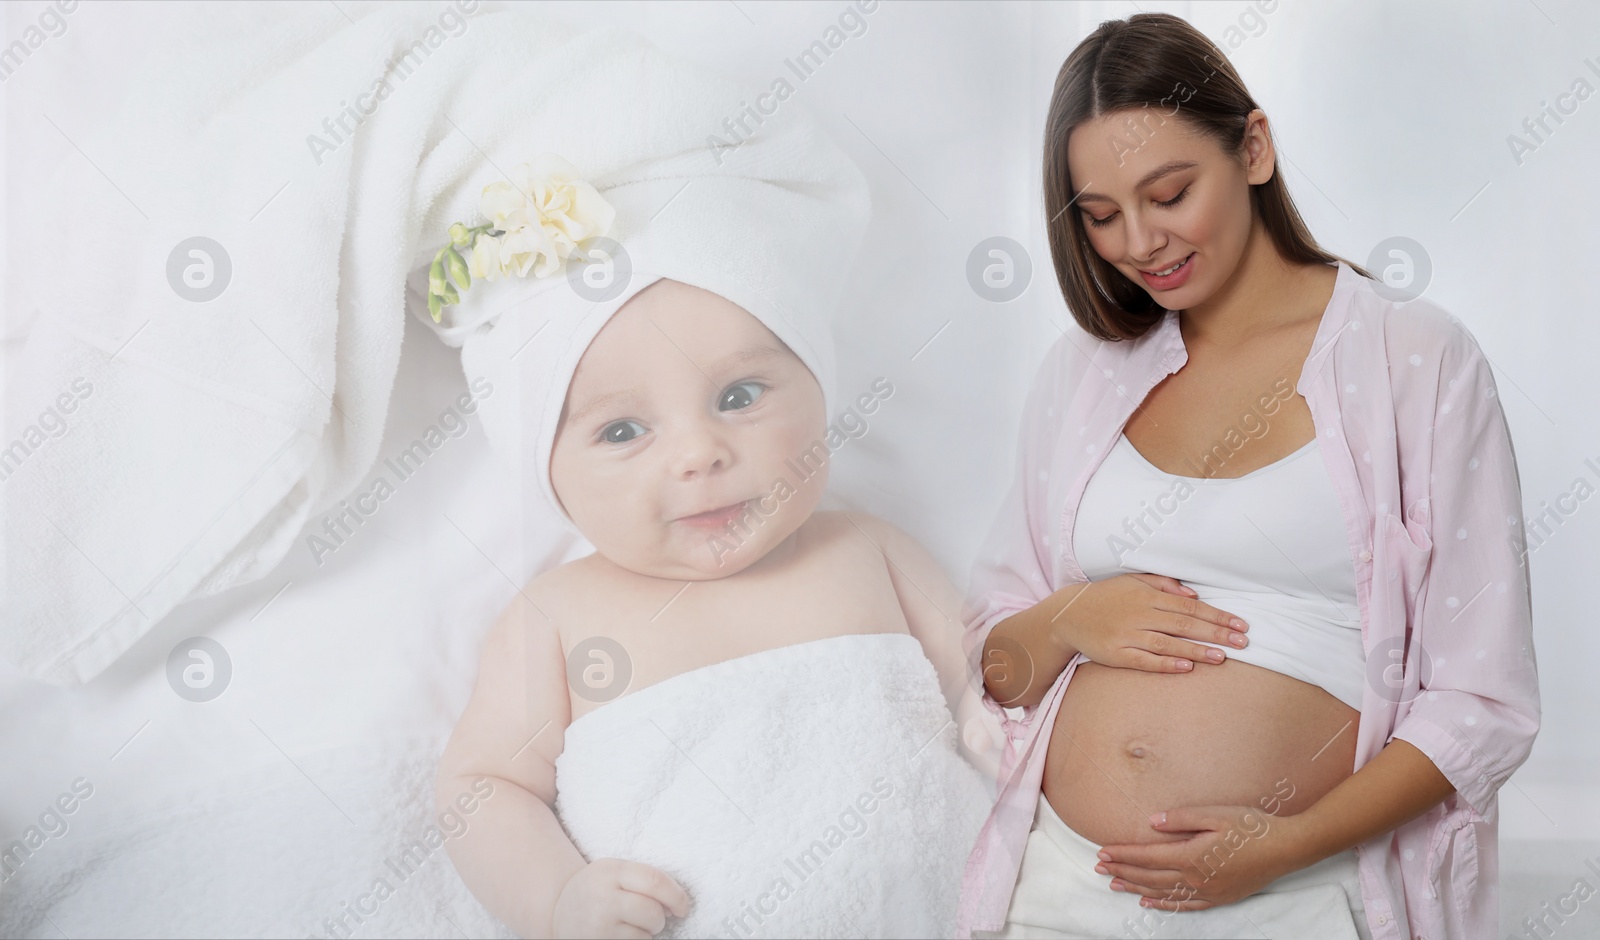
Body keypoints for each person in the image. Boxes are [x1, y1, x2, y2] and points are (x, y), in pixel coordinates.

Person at [956, 12, 1539, 940]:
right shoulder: (1084, 371)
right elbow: (992, 664)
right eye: (1101, 216)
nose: (1140, 241)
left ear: (1255, 148)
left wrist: (1288, 842)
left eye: (1170, 192)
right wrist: (1067, 620)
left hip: (1300, 894)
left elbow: (1484, 702)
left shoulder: (1413, 358)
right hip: (1059, 890)